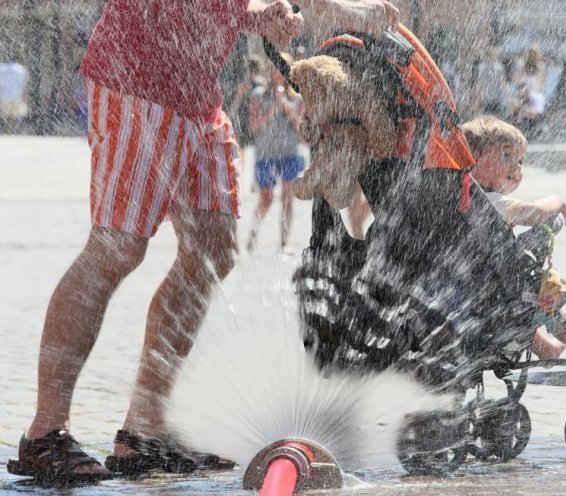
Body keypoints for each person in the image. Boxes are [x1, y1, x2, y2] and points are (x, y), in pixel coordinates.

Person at [11, 0, 399, 484]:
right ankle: (46, 433)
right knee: (117, 246)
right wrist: (345, 12)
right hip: (137, 78)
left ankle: (145, 432)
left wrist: (259, 14)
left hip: (196, 96)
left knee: (213, 252)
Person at [462, 116, 566, 364]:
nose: (516, 168)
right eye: (506, 156)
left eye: (520, 161)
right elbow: (535, 213)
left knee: (523, 304)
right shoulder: (488, 202)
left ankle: (546, 346)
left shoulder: (465, 197)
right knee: (543, 304)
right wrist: (557, 201)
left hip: (480, 292)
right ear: (472, 158)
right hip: (490, 294)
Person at [246, 52, 304, 254]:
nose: (276, 72)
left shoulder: (296, 98)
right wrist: (273, 109)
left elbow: (301, 127)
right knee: (266, 199)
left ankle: (283, 242)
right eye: (274, 68)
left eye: (281, 69)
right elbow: (253, 127)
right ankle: (252, 234)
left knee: (288, 198)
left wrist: (286, 106)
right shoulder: (258, 95)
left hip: (289, 153)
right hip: (266, 155)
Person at [512, 47, 547, 139]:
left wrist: (532, 93)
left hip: (535, 93)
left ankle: (536, 125)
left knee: (536, 103)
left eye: (534, 54)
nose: (532, 56)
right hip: (523, 92)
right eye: (530, 54)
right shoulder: (521, 66)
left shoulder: (540, 67)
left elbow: (541, 85)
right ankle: (519, 124)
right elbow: (517, 81)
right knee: (517, 104)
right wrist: (525, 89)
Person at [0, 60, 29, 134]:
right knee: (15, 116)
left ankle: (7, 130)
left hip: (4, 96)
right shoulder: (21, 69)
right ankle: (13, 131)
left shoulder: (2, 68)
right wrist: (24, 99)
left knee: (6, 115)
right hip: (16, 97)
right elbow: (24, 86)